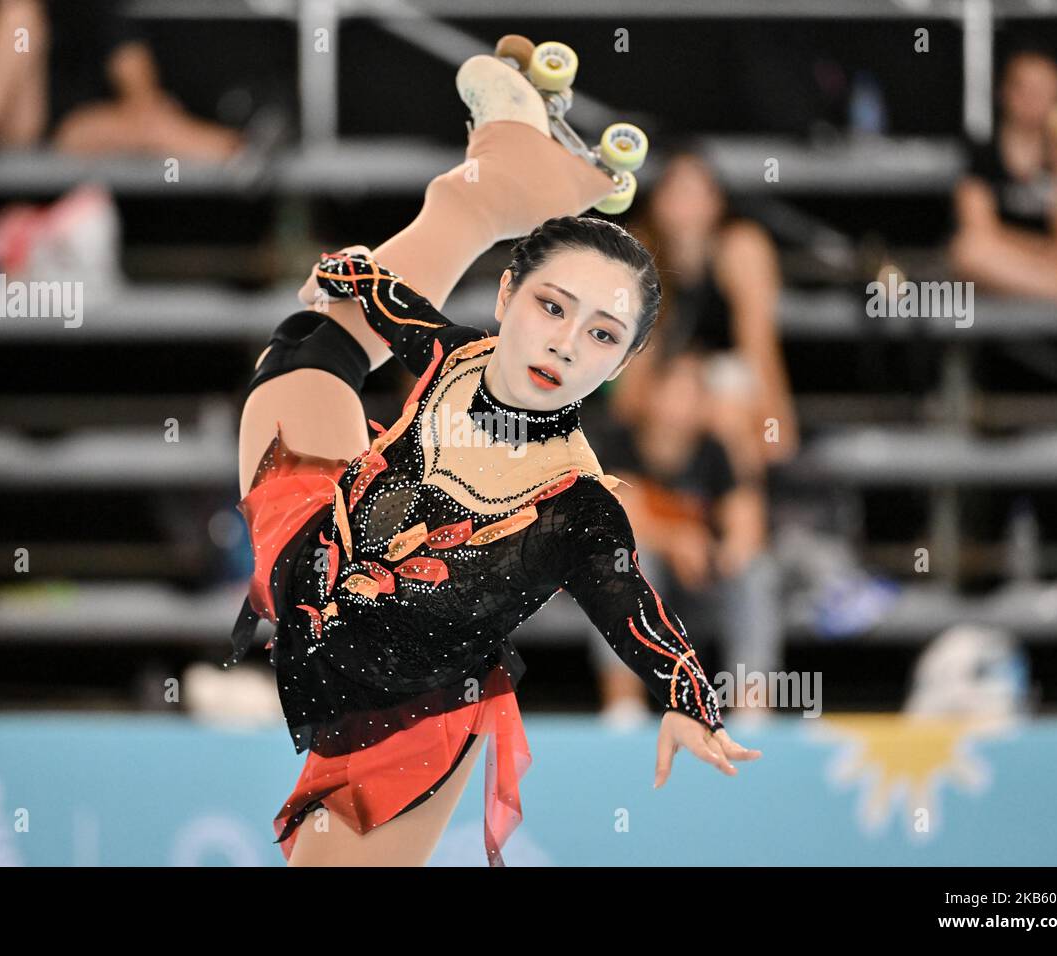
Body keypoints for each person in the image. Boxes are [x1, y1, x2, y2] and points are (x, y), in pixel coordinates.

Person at [230, 49, 759, 868]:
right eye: (553, 305)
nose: (565, 343)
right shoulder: (457, 358)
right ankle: (495, 184)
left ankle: (502, 182)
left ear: (618, 367)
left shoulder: (579, 505)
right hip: (312, 556)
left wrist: (691, 701)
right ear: (508, 295)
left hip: (409, 717)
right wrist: (342, 272)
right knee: (308, 350)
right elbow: (389, 304)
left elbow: (636, 612)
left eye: (601, 335)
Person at [584, 346, 781, 721]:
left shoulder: (715, 451)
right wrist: (677, 540)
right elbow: (619, 513)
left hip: (704, 580)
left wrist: (728, 553)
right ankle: (623, 704)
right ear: (653, 394)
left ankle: (752, 706)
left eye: (695, 392)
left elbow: (746, 522)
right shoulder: (618, 443)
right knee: (618, 561)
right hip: (648, 582)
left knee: (757, 571)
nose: (683, 404)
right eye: (675, 389)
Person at [622, 146, 798, 478]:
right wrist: (651, 405)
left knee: (728, 409)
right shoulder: (641, 248)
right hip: (670, 381)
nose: (684, 203)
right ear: (657, 200)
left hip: (730, 382)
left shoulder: (741, 247)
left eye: (695, 190)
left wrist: (775, 421)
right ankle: (675, 510)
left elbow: (759, 341)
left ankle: (740, 517)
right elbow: (636, 358)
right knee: (672, 405)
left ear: (717, 201)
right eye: (675, 189)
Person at [950, 50, 1057, 367]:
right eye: (1024, 88)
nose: (1033, 100)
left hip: (1055, 256)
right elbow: (977, 228)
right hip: (1007, 265)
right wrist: (1046, 258)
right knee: (968, 249)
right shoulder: (984, 150)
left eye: (1045, 91)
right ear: (1004, 93)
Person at [0, 0, 246, 161]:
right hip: (8, 125)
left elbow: (135, 75)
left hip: (71, 129)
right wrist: (6, 61)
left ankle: (246, 155)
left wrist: (147, 110)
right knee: (19, 16)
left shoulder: (95, 5)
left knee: (152, 123)